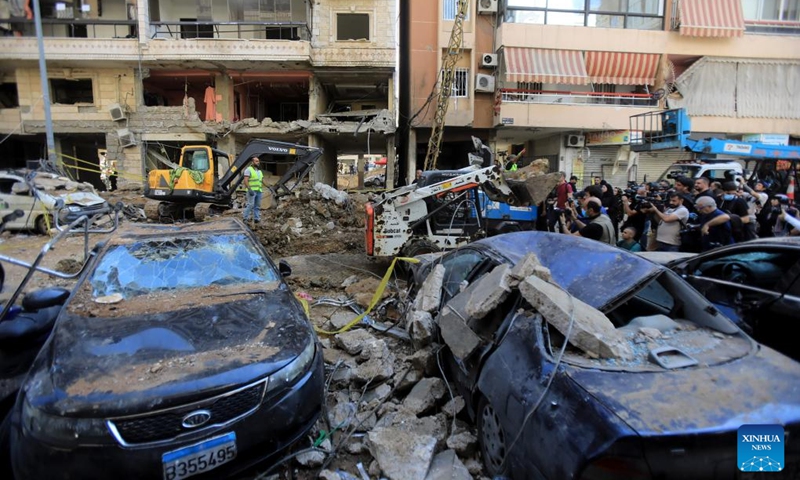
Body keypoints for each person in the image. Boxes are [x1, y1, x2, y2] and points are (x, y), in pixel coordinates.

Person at [243, 155, 263, 224]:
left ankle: (256, 218)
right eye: (256, 161)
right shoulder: (248, 170)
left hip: (259, 191)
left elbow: (261, 181)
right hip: (252, 190)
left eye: (258, 161)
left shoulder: (259, 171)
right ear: (252, 162)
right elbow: (245, 180)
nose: (258, 163)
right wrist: (249, 189)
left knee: (257, 206)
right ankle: (245, 218)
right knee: (250, 204)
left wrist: (270, 187)